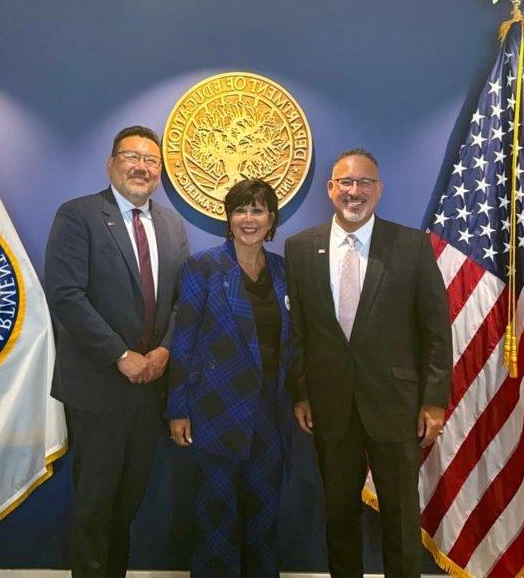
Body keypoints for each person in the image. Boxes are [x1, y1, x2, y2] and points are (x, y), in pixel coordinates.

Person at [285, 149, 452, 577]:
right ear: (330, 189)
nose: (353, 192)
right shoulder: (300, 248)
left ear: (378, 190)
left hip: (396, 405)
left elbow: (435, 328)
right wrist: (301, 392)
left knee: (399, 517)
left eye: (363, 183)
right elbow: (300, 331)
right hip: (330, 405)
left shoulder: (411, 246)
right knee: (338, 515)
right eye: (345, 183)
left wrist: (434, 400)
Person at [45, 125, 189, 578]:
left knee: (129, 501)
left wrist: (165, 349)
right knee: (95, 503)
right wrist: (121, 356)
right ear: (111, 164)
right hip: (99, 387)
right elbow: (66, 295)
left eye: (150, 160)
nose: (141, 166)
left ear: (159, 172)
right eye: (131, 156)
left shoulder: (171, 225)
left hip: (150, 390)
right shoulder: (79, 215)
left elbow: (183, 299)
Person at [166, 179, 293, 578]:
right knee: (215, 517)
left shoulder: (280, 269)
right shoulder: (203, 266)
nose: (248, 219)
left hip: (269, 413)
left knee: (264, 515)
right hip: (217, 409)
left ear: (272, 219)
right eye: (240, 210)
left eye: (257, 210)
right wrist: (178, 407)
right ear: (229, 217)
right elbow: (183, 341)